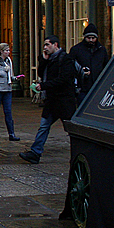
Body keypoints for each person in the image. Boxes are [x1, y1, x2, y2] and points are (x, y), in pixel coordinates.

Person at [19, 35, 76, 166]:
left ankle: (76, 153)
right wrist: (43, 60)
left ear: (56, 45)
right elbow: (41, 73)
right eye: (44, 45)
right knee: (44, 126)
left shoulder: (65, 59)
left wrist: (44, 86)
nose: (45, 48)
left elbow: (64, 79)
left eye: (48, 45)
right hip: (52, 101)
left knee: (71, 129)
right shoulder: (48, 59)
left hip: (65, 101)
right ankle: (35, 152)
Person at [68, 22, 109, 104]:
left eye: (93, 38)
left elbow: (106, 66)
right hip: (82, 88)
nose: (91, 40)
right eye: (88, 38)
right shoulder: (76, 50)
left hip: (97, 87)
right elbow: (70, 68)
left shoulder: (101, 50)